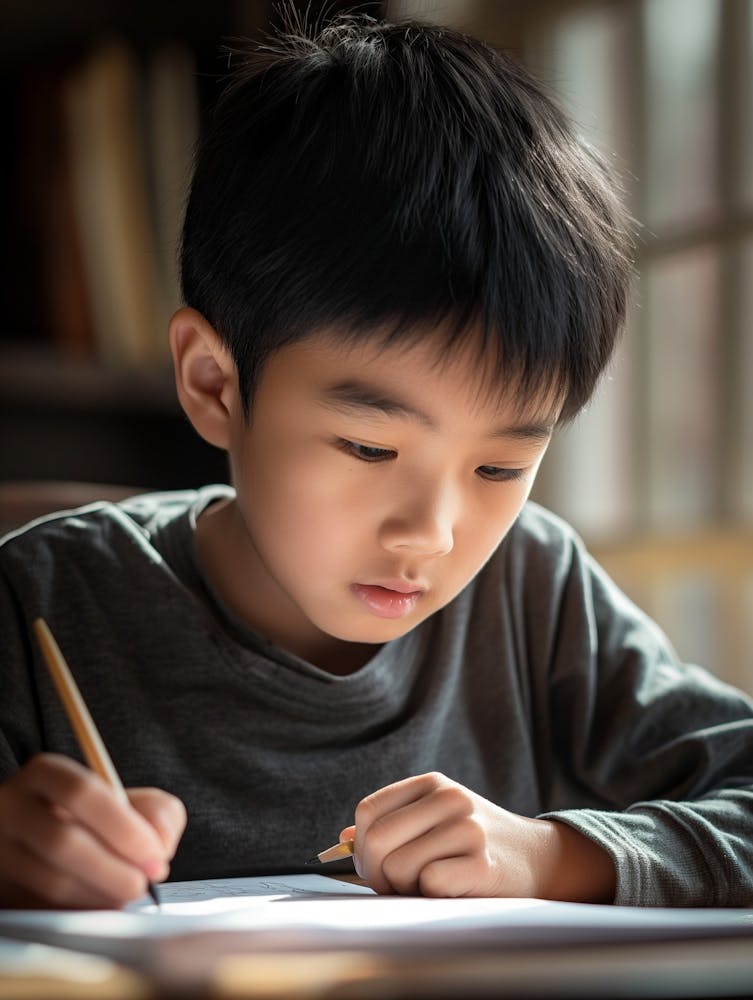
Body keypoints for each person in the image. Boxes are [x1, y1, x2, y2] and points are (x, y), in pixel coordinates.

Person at [1, 12, 752, 912]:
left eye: (500, 468)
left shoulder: (534, 594)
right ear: (213, 385)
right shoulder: (37, 601)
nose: (429, 535)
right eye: (369, 446)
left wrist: (553, 856)